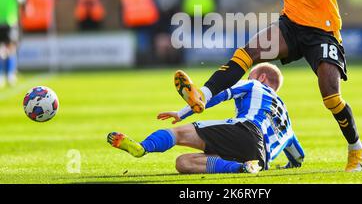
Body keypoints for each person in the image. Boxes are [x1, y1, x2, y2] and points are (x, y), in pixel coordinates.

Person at [174, 0, 362, 172]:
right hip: (292, 25)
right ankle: (201, 93)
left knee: (331, 97)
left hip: (322, 32)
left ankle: (356, 149)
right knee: (247, 52)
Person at [107, 63, 305, 174]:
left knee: (177, 133)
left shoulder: (255, 86)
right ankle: (242, 168)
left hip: (246, 130)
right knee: (183, 163)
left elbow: (219, 93)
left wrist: (182, 112)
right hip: (259, 157)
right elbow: (298, 157)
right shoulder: (287, 120)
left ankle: (143, 147)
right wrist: (289, 166)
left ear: (261, 78)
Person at [0, 0, 26, 88]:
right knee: (1, 50)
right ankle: (1, 76)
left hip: (10, 20)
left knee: (10, 48)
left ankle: (10, 74)